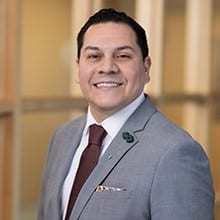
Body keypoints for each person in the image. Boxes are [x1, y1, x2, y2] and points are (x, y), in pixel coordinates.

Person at [38, 8, 215, 220]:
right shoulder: (62, 137)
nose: (107, 67)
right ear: (78, 68)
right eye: (94, 56)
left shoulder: (177, 152)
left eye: (122, 56)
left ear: (146, 68)